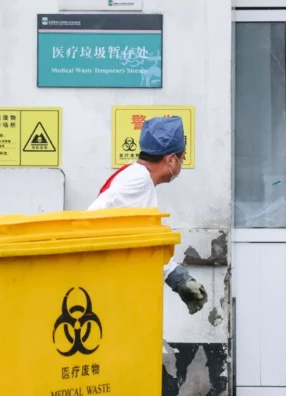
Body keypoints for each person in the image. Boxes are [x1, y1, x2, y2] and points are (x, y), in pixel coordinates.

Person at [88, 116, 208, 315]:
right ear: (171, 159)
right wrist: (180, 280)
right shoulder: (139, 182)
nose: (181, 165)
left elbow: (145, 241)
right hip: (107, 284)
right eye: (182, 158)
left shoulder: (135, 177)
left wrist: (178, 278)